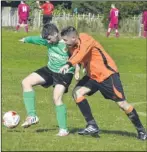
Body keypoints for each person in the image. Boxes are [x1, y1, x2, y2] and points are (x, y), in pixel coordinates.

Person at [59, 26, 147, 140]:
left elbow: (80, 54)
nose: (64, 42)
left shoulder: (86, 39)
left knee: (122, 104)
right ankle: (92, 125)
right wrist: (77, 69)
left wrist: (68, 65)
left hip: (107, 75)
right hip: (93, 76)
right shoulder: (71, 46)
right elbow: (78, 57)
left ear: (74, 37)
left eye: (65, 40)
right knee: (77, 93)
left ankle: (141, 131)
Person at [19, 24, 75, 136]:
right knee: (26, 82)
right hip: (50, 69)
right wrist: (26, 39)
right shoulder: (47, 40)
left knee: (56, 98)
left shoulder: (67, 43)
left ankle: (63, 130)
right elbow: (36, 39)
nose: (48, 42)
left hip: (64, 73)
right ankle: (32, 116)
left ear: (55, 33)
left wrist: (78, 70)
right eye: (46, 40)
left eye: (49, 39)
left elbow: (79, 55)